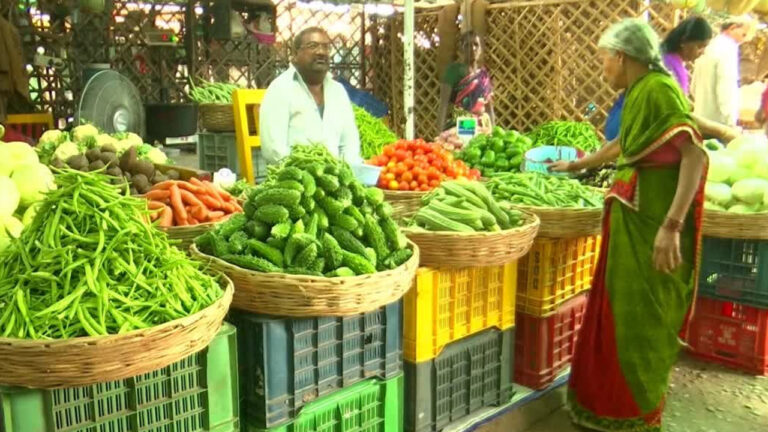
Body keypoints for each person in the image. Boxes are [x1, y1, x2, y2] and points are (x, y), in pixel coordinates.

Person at [550, 19, 708, 432]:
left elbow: (694, 155)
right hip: (632, 224)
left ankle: (634, 414)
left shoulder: (658, 89)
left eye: (603, 59)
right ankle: (607, 407)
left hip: (654, 227)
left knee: (642, 323)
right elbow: (626, 143)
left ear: (621, 57)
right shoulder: (638, 91)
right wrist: (579, 164)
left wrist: (671, 226)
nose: (602, 68)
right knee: (619, 316)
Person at [259, 27, 361, 165]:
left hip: (335, 175)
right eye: (313, 46)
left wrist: (343, 173)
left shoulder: (338, 92)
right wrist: (308, 173)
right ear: (295, 54)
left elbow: (349, 145)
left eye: (326, 47)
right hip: (293, 175)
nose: (321, 52)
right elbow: (273, 151)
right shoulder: (280, 89)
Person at [691, 16, 753, 126]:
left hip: (701, 116)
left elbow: (693, 87)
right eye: (743, 34)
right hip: (718, 122)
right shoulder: (728, 49)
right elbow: (726, 85)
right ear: (732, 28)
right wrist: (730, 120)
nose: (743, 40)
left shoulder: (710, 46)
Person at [437, 31, 494, 133]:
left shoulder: (483, 75)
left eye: (476, 45)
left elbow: (489, 108)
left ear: (481, 49)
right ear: (461, 49)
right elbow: (443, 104)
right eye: (468, 45)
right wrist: (440, 133)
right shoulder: (453, 71)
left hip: (482, 128)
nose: (472, 49)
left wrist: (493, 131)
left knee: (479, 141)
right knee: (467, 141)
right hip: (460, 127)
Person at [662, 16, 713, 96]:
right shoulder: (672, 69)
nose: (702, 52)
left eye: (704, 47)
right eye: (699, 47)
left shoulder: (664, 58)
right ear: (684, 41)